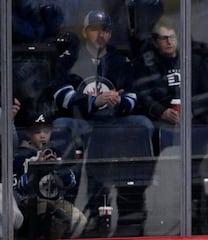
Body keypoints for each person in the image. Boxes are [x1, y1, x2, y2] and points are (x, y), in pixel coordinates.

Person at [51, 10, 155, 157]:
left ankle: (138, 174)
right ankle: (63, 175)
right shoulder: (70, 60)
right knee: (60, 124)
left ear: (110, 34)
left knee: (144, 123)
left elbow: (132, 96)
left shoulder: (120, 62)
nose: (100, 34)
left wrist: (119, 103)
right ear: (85, 32)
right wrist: (94, 102)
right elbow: (62, 96)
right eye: (94, 29)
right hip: (82, 122)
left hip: (113, 121)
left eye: (105, 30)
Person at [133, 17, 208, 129]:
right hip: (163, 119)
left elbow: (207, 93)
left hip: (194, 117)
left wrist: (193, 111)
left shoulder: (194, 61)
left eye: (172, 37)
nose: (169, 42)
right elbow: (144, 95)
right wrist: (162, 112)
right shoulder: (146, 64)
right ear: (155, 42)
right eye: (164, 38)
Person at [13, 111, 87, 239]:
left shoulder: (57, 152)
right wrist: (38, 167)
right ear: (28, 134)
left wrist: (58, 168)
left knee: (80, 221)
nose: (42, 136)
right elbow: (17, 187)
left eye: (46, 132)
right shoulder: (21, 156)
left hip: (57, 201)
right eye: (37, 132)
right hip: (30, 203)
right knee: (48, 221)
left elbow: (71, 183)